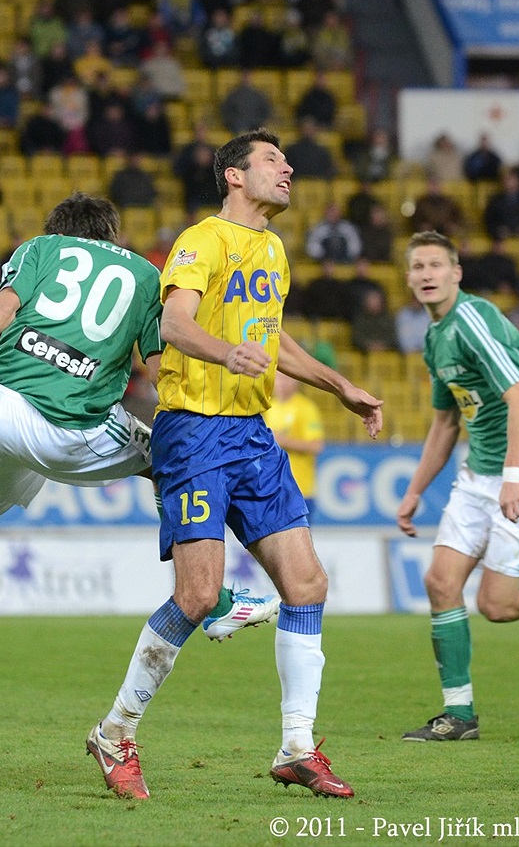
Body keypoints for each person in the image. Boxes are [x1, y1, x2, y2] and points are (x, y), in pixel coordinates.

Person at [0, 194, 273, 740]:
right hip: (71, 426)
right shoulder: (145, 275)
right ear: (112, 234)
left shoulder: (39, 249)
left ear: (58, 229)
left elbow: (3, 308)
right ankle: (213, 601)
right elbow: (159, 366)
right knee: (169, 461)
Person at [87, 129, 383, 800]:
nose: (289, 168)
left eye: (286, 160)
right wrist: (227, 354)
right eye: (273, 160)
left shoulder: (272, 250)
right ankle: (114, 732)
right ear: (234, 175)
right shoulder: (203, 240)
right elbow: (174, 325)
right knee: (198, 596)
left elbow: (272, 341)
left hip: (251, 435)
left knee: (306, 584)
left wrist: (339, 386)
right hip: (194, 431)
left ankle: (297, 747)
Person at [397, 231, 519, 742]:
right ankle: (459, 715)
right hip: (478, 476)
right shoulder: (436, 338)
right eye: (418, 267)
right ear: (409, 278)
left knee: (498, 605)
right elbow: (445, 422)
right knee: (440, 582)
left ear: (456, 273)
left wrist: (512, 476)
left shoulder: (473, 319)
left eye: (436, 265)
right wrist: (415, 491)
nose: (427, 274)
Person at [264, 372, 324, 520]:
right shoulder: (270, 408)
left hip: (299, 490)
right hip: (272, 490)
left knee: (298, 535)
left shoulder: (306, 408)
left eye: (287, 379)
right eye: (279, 378)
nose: (282, 383)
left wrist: (283, 441)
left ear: (296, 381)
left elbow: (316, 446)